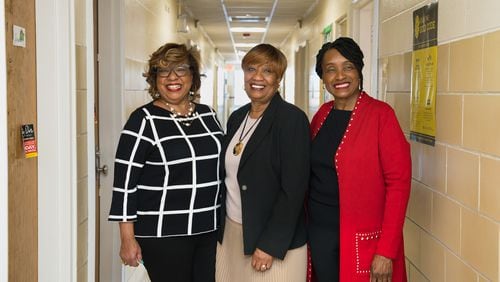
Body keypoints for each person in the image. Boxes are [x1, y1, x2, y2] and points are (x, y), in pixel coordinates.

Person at [108, 43, 224, 282]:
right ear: (154, 79)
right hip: (163, 234)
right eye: (163, 71)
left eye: (181, 69)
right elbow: (124, 185)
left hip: (209, 229)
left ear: (193, 76)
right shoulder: (143, 121)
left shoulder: (208, 115)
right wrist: (127, 239)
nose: (172, 77)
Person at [306, 37, 411, 282]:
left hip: (362, 241)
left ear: (359, 71)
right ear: (323, 78)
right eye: (330, 69)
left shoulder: (381, 115)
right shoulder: (322, 115)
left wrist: (386, 251)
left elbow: (399, 185)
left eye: (348, 67)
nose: (340, 75)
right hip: (320, 234)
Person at [216, 43, 310, 282]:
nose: (257, 77)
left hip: (272, 242)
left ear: (278, 79)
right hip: (232, 234)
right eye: (251, 69)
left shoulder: (291, 120)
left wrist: (270, 244)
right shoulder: (238, 117)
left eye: (267, 71)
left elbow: (294, 190)